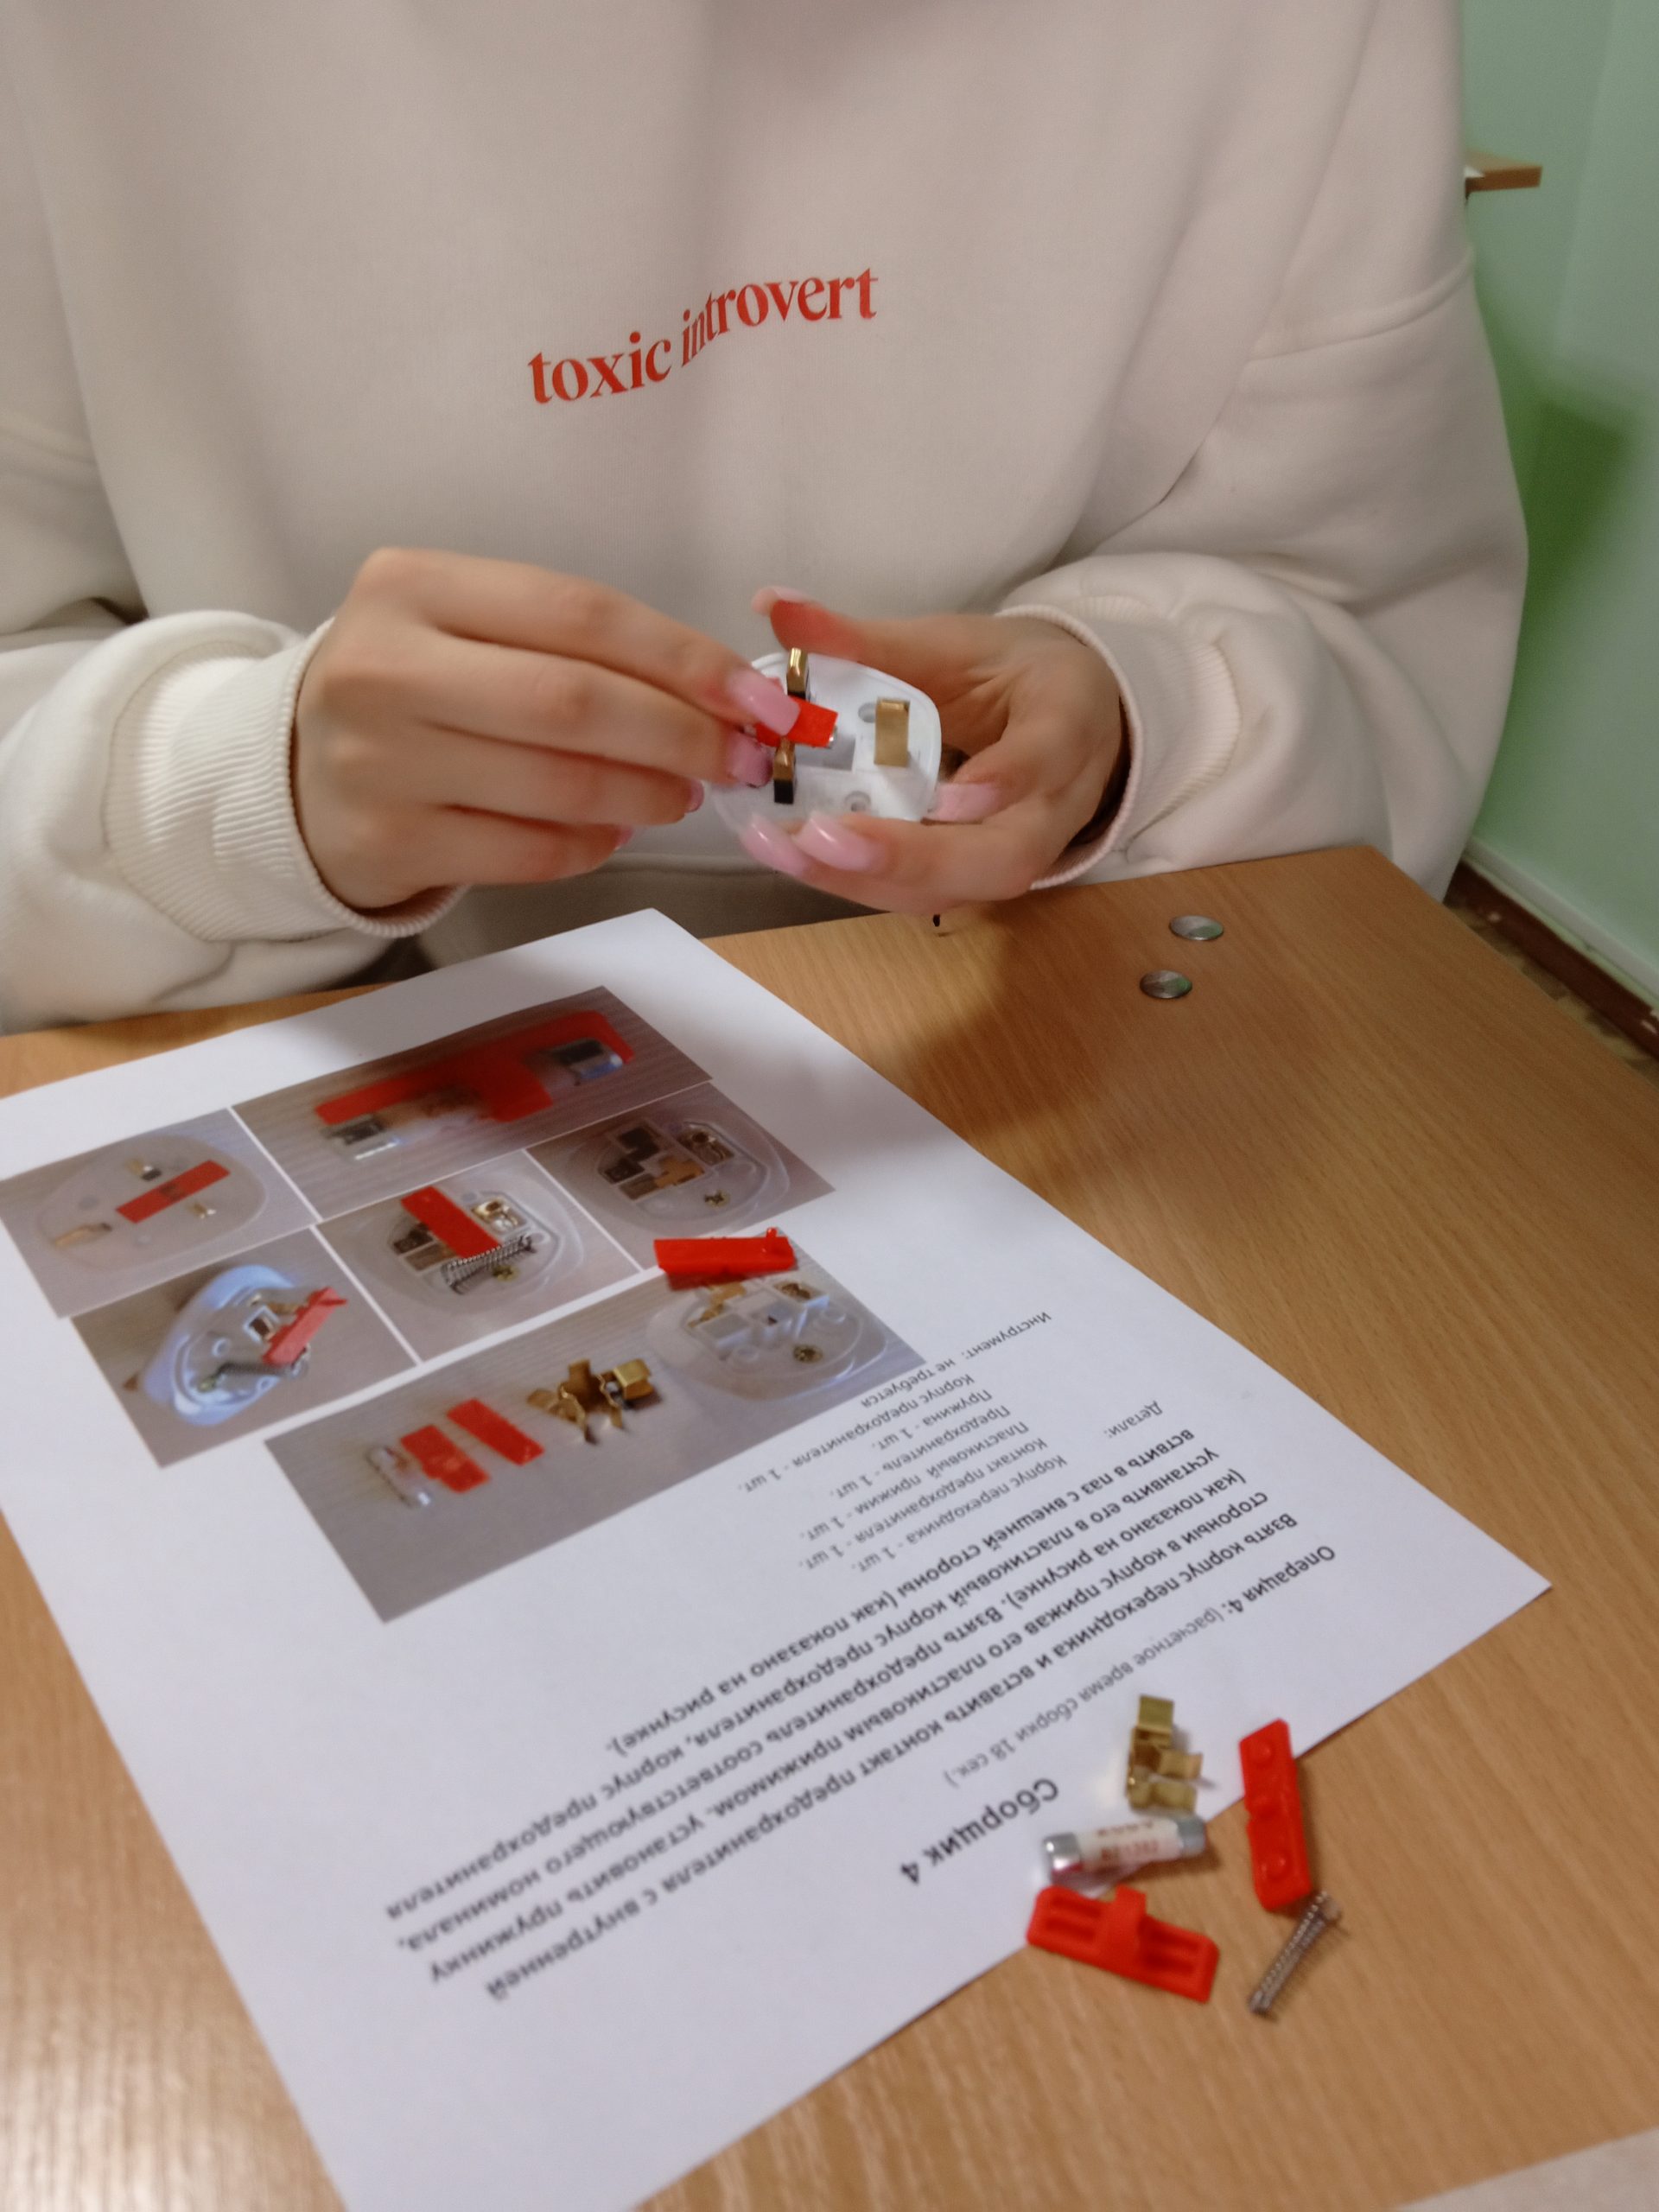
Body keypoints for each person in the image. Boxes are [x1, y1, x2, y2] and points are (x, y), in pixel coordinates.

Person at [0, 0, 1523, 1032]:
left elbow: (1368, 624)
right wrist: (243, 787)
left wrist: (1137, 717)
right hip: (307, 1051)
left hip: (1039, 1049)